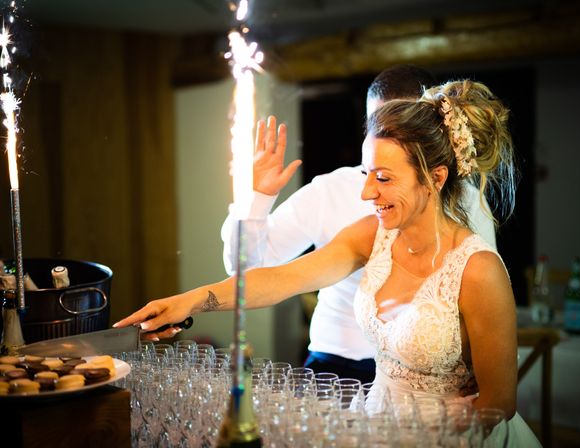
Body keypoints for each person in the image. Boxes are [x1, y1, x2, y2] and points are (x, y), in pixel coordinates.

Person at [115, 79, 540, 446]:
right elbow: (280, 279)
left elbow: (498, 402)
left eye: (384, 178)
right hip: (375, 422)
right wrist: (190, 301)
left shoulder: (478, 268)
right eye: (367, 173)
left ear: (437, 177)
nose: (366, 193)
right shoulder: (371, 236)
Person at [219, 65, 496, 383]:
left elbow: (480, 308)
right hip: (335, 364)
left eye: (397, 128)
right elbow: (246, 270)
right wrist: (255, 198)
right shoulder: (329, 190)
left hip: (428, 376)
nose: (382, 136)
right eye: (375, 125)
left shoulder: (471, 203)